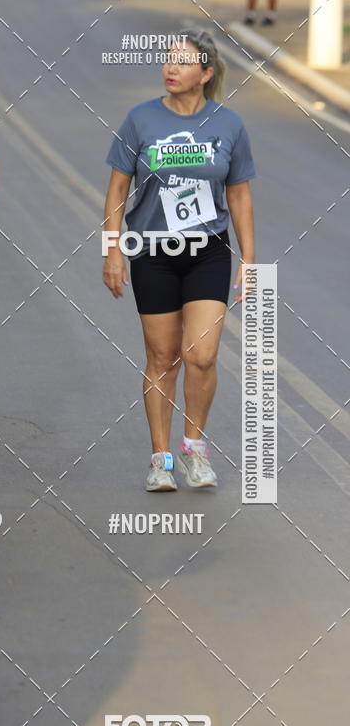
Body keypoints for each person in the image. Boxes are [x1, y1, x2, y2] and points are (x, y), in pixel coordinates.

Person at [102, 30, 255, 491]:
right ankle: (160, 458)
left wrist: (249, 259)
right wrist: (112, 249)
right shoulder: (139, 120)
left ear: (206, 74)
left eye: (183, 63)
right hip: (153, 251)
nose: (170, 68)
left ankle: (195, 450)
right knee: (163, 357)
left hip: (207, 251)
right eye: (168, 60)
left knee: (202, 356)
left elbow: (240, 192)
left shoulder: (229, 125)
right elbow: (117, 190)